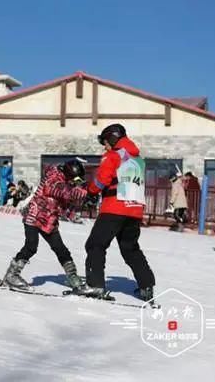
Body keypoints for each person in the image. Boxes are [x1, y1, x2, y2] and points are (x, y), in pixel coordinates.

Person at [75, 124, 156, 301]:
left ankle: (95, 285)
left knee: (95, 245)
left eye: (105, 142)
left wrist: (91, 192)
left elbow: (102, 179)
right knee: (130, 248)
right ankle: (146, 286)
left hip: (114, 208)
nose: (105, 146)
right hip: (134, 210)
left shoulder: (113, 156)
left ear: (112, 138)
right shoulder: (137, 159)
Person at [0, 160, 87, 291]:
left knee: (60, 249)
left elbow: (64, 203)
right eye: (74, 179)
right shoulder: (53, 177)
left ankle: (72, 276)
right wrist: (82, 192)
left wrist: (79, 205)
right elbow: (59, 190)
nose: (75, 182)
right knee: (31, 246)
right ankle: (11, 276)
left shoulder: (66, 182)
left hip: (49, 220)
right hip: (34, 216)